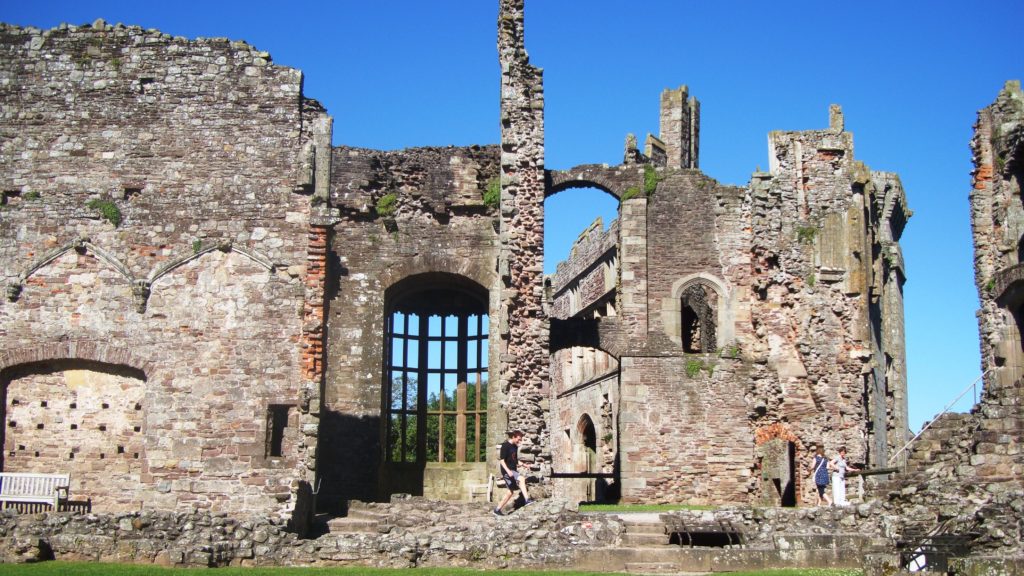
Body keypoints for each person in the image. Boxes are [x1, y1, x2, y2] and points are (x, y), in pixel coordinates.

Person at [493, 429, 533, 516]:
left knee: (510, 492)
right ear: (514, 437)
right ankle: (527, 500)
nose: (520, 441)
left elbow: (515, 461)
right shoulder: (505, 446)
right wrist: (508, 471)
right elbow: (502, 461)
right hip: (507, 471)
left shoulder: (515, 447)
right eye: (519, 439)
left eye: (521, 439)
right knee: (522, 479)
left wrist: (525, 465)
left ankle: (497, 509)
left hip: (513, 470)